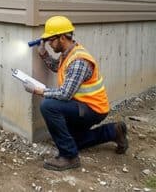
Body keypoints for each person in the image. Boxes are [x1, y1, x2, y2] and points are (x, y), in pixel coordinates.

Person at [24, 15, 128, 171]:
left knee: (48, 106)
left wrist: (41, 91)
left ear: (62, 38)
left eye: (51, 40)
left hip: (93, 109)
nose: (49, 44)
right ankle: (113, 131)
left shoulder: (79, 60)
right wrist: (43, 53)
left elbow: (65, 94)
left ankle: (69, 157)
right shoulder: (68, 53)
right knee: (73, 141)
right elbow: (58, 68)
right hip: (82, 105)